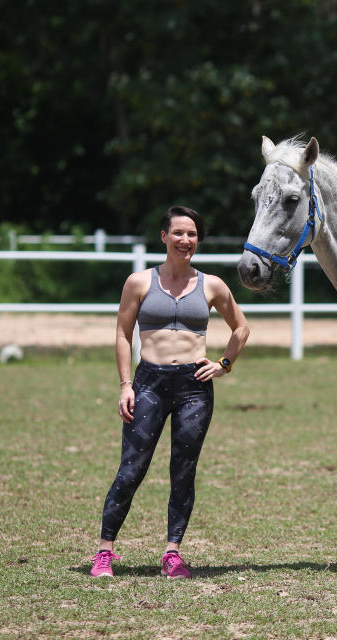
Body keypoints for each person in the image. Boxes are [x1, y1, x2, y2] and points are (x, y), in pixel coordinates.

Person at [90, 206, 250, 579]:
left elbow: (241, 328)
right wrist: (126, 384)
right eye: (178, 233)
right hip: (149, 383)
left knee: (183, 470)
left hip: (195, 387)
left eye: (192, 234)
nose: (185, 240)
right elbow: (121, 335)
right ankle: (104, 552)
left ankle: (172, 553)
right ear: (164, 237)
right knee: (132, 468)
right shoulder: (139, 282)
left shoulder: (212, 285)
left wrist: (224, 364)